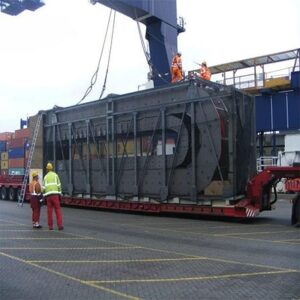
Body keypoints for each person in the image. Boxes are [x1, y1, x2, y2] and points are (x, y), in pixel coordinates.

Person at [42, 162, 64, 230]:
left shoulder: (45, 177)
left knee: (49, 212)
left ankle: (50, 226)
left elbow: (43, 188)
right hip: (55, 195)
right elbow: (59, 186)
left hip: (48, 196)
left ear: (47, 169)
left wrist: (44, 196)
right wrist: (60, 194)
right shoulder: (55, 175)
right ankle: (60, 226)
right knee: (58, 210)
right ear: (52, 168)